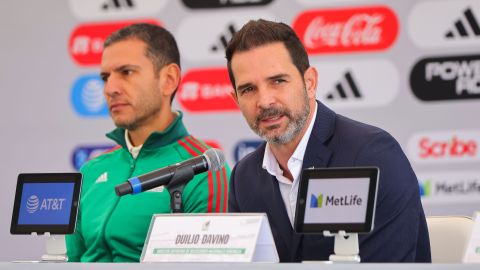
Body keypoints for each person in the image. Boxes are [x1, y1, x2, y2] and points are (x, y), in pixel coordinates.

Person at [226, 19, 430, 262]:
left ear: (309, 83)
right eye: (248, 89)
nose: (265, 101)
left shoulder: (373, 156)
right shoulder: (243, 178)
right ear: (236, 99)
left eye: (278, 81)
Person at [66, 23, 230, 262]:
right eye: (105, 77)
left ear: (169, 79)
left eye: (126, 72)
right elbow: (69, 263)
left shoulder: (205, 170)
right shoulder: (91, 170)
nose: (110, 88)